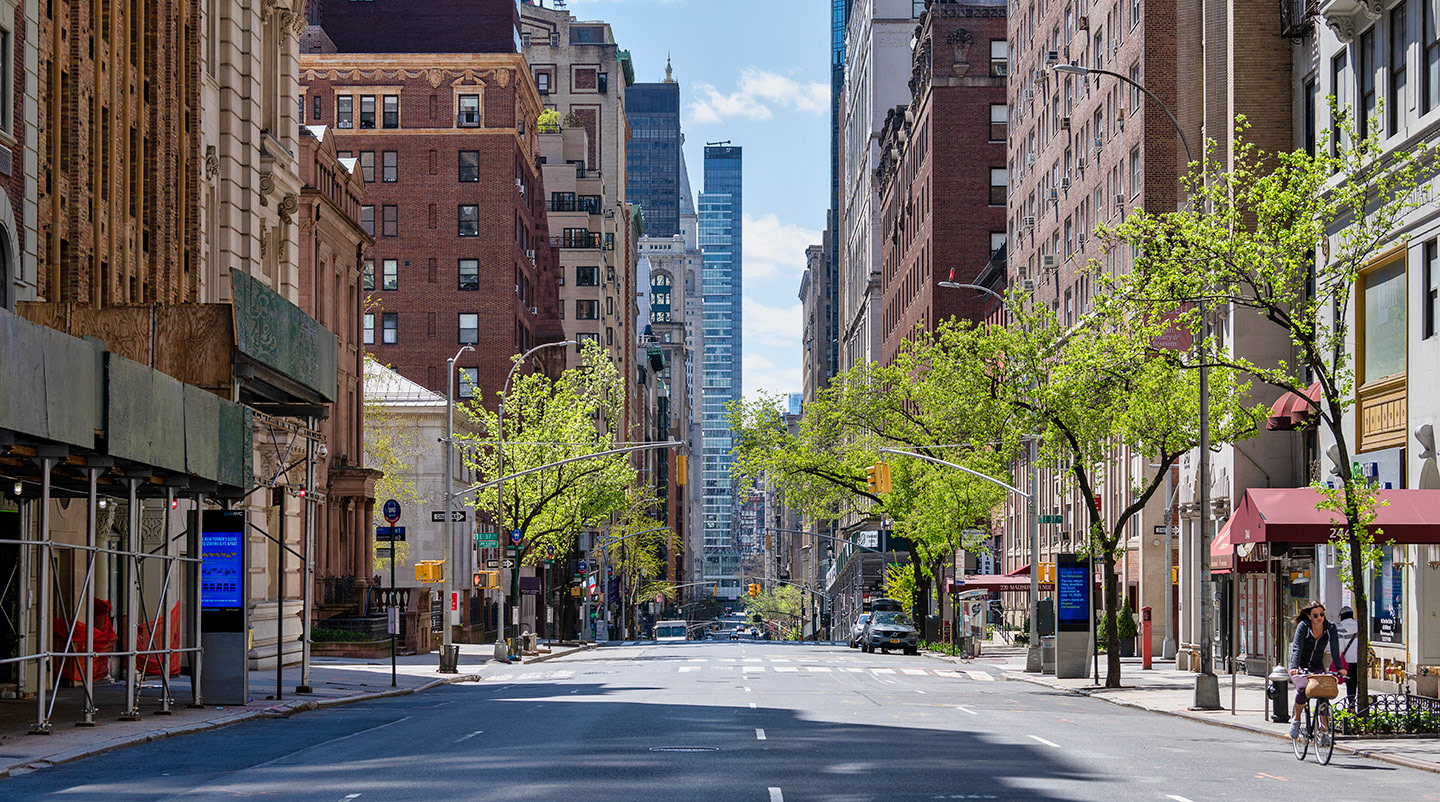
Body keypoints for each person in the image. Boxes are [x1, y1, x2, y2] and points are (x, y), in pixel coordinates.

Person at [1288, 600, 1347, 739]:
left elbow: (1334, 648)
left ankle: (1324, 730)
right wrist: (1295, 667)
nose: (1319, 618)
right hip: (1300, 665)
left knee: (1323, 692)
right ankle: (1296, 720)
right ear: (1309, 616)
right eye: (1316, 615)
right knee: (1303, 689)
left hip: (1316, 665)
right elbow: (1297, 648)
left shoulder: (1330, 627)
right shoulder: (1303, 626)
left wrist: (1339, 668)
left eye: (1322, 614)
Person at [1335, 606, 1359, 709]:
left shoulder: (1340, 628)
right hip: (1359, 659)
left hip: (1347, 660)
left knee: (1350, 683)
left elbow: (1339, 647)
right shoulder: (1360, 625)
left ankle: (1351, 704)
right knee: (1359, 681)